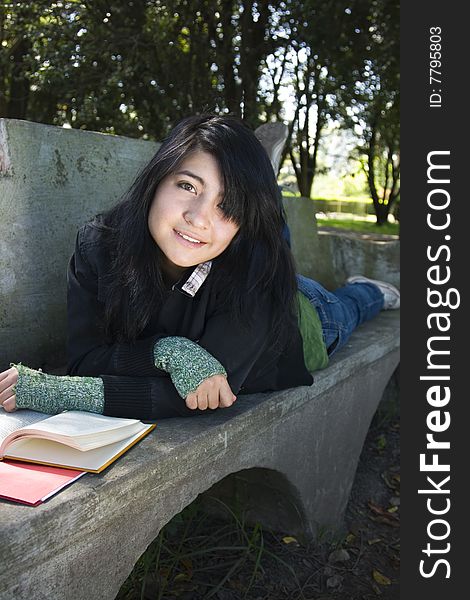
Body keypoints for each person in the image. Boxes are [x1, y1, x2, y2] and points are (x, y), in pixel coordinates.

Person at [0, 114, 399, 419]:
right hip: (231, 262)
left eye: (227, 205)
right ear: (158, 178)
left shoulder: (256, 270)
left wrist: (64, 393)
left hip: (300, 321)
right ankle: (257, 183)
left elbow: (202, 396)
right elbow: (87, 360)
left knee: (349, 306)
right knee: (255, 227)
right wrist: (167, 351)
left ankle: (371, 288)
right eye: (187, 186)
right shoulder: (100, 243)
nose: (197, 217)